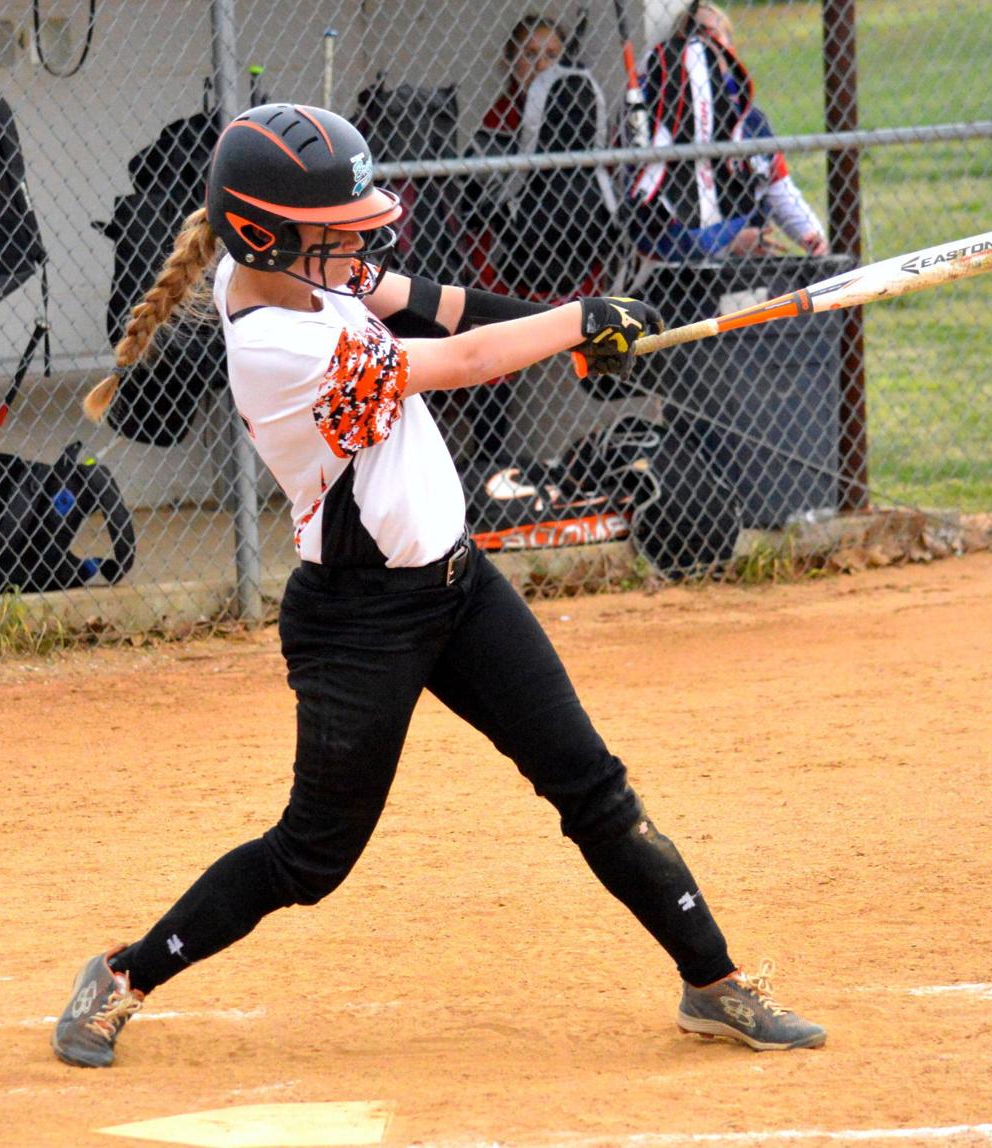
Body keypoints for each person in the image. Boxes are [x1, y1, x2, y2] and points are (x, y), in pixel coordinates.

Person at [50, 102, 826, 1069]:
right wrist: (575, 321)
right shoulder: (277, 347)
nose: (358, 247)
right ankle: (121, 976)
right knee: (309, 856)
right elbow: (455, 362)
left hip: (458, 585)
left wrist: (580, 336)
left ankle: (714, 984)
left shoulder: (298, 271)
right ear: (268, 235)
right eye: (338, 234)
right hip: (358, 621)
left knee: (592, 785)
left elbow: (442, 308)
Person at [455, 14, 621, 463]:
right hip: (510, 253)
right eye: (529, 55)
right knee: (489, 334)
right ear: (511, 63)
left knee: (607, 316)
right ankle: (490, 460)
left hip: (574, 253)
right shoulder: (502, 117)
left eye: (551, 55)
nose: (541, 64)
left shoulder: (579, 107)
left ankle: (611, 441)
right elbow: (474, 201)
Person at [629, 2, 830, 262]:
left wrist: (810, 233)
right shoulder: (657, 112)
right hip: (683, 267)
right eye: (695, 33)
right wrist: (727, 243)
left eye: (714, 33)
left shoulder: (749, 116)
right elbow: (653, 219)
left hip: (746, 261)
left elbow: (778, 186)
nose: (704, 42)